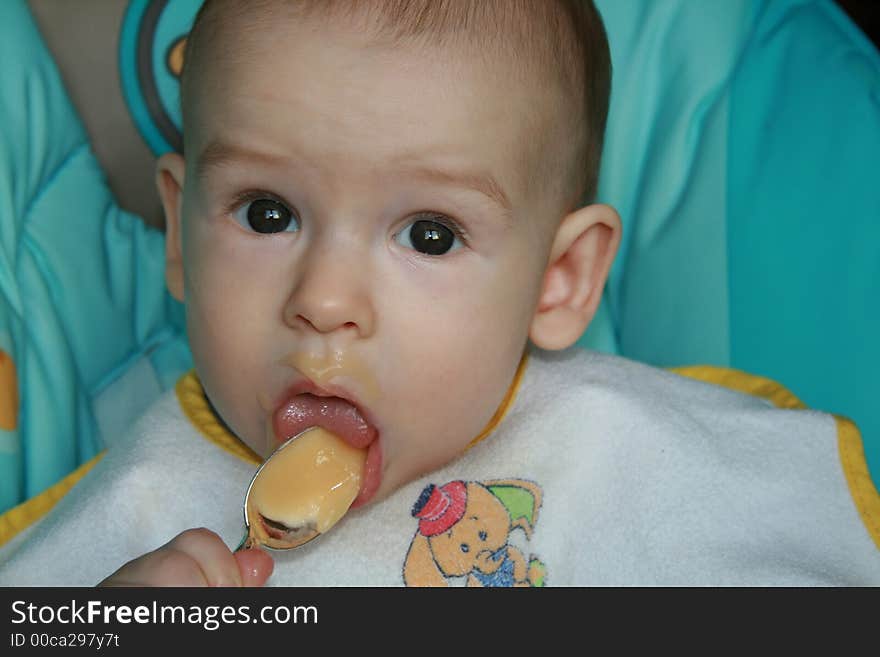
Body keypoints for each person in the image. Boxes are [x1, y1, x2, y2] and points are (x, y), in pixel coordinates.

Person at [1, 0, 878, 587]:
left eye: (429, 233)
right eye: (266, 213)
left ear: (558, 279)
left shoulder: (639, 453)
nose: (327, 300)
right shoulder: (139, 510)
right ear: (182, 233)